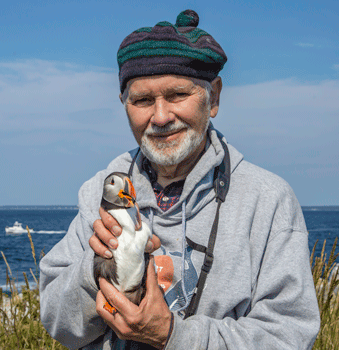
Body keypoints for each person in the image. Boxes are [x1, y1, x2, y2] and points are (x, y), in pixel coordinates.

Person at [40, 9, 320, 350]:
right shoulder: (101, 191)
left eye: (177, 95)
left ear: (213, 97)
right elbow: (56, 321)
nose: (160, 117)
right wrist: (95, 270)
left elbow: (289, 337)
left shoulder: (267, 199)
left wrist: (173, 336)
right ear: (124, 103)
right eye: (143, 100)